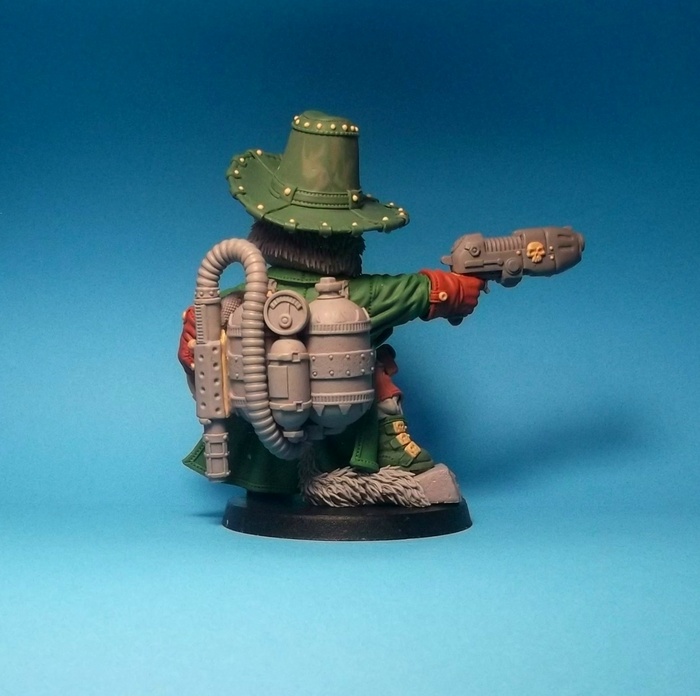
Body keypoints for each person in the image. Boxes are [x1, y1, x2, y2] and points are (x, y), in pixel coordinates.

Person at [178, 111, 483, 507]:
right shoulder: (358, 296)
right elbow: (412, 291)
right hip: (310, 428)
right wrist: (449, 290)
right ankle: (397, 465)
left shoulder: (246, 296)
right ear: (346, 236)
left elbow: (208, 321)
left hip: (268, 440)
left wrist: (201, 324)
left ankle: (272, 485)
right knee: (377, 379)